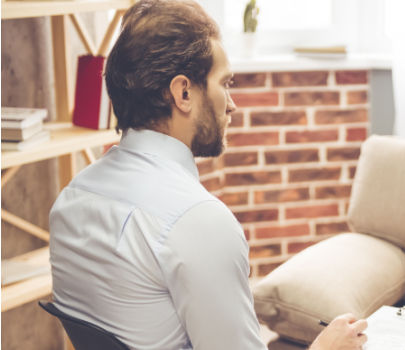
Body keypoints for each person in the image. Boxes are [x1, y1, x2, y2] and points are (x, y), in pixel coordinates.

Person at [48, 1, 367, 349]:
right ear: (183, 92)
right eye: (224, 83)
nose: (232, 104)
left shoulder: (70, 201)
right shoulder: (197, 221)